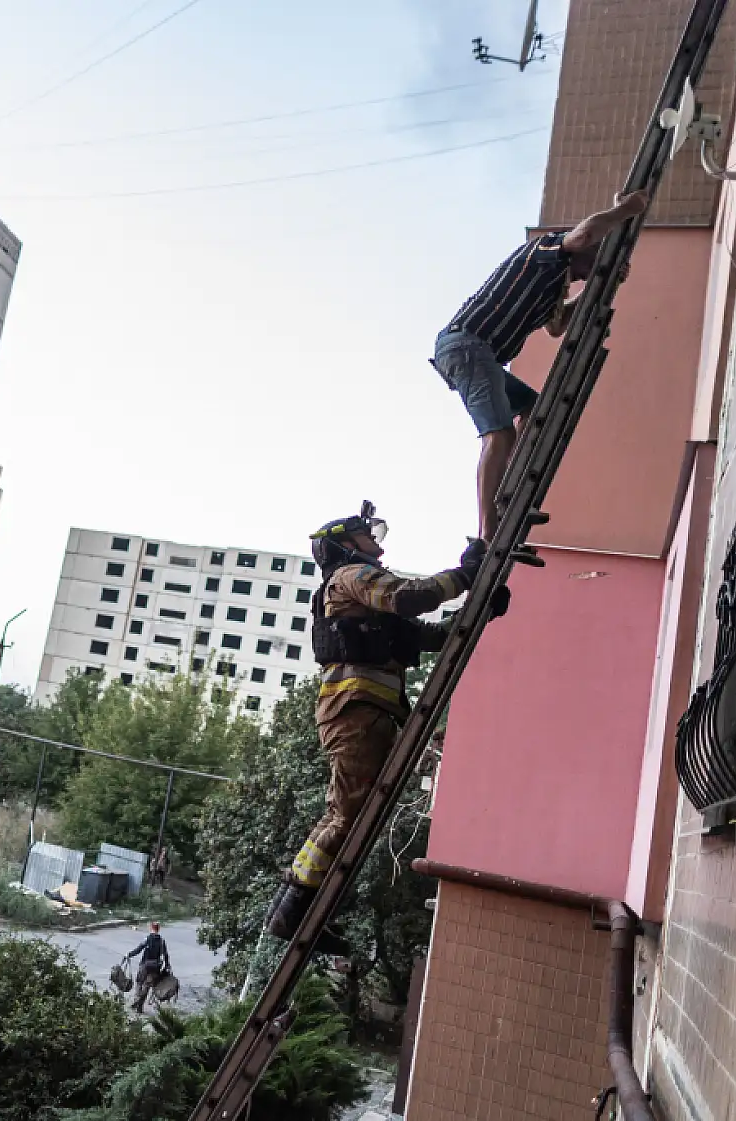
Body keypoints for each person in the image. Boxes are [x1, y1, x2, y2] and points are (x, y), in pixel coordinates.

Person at [264, 502, 508, 944]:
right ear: (343, 544)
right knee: (347, 816)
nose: (377, 542)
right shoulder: (349, 578)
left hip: (364, 713)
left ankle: (295, 905)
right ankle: (293, 911)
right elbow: (409, 596)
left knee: (344, 814)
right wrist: (467, 574)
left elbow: (427, 636)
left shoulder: (366, 604)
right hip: (355, 712)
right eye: (366, 534)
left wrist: (481, 612)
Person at [432, 191, 650, 541]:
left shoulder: (555, 286)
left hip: (478, 354)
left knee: (533, 408)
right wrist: (625, 210)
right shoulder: (546, 250)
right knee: (499, 434)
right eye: (596, 259)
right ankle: (488, 529)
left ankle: (506, 489)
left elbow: (557, 325)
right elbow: (583, 235)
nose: (591, 269)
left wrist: (602, 284)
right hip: (468, 345)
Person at [127, 921, 171, 1014]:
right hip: (155, 966)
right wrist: (167, 965)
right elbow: (165, 954)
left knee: (139, 982)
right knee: (147, 986)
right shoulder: (162, 941)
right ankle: (140, 1006)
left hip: (145, 965)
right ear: (158, 929)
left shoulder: (147, 938)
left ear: (151, 928)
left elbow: (139, 949)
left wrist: (129, 954)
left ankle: (136, 1000)